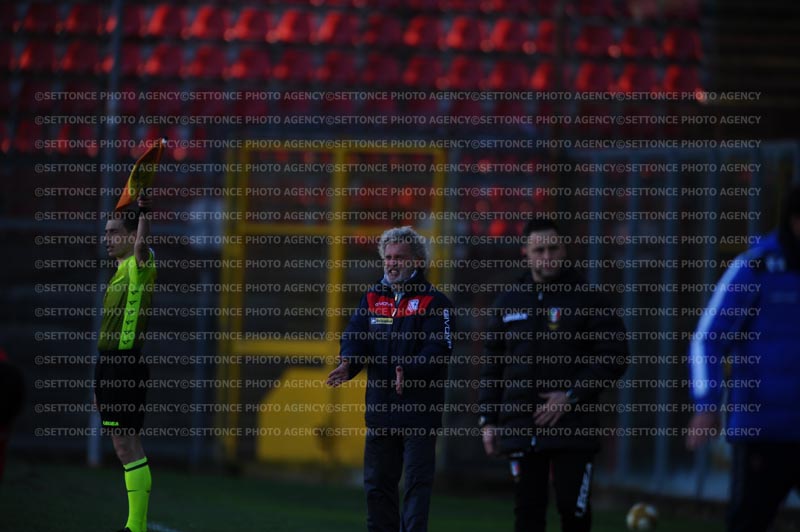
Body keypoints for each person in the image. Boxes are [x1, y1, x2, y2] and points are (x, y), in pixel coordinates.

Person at [478, 218, 628, 532]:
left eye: (553, 248)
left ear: (564, 250)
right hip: (521, 428)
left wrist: (570, 396)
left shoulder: (588, 299)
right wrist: (488, 420)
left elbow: (614, 356)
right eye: (539, 250)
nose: (547, 256)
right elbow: (492, 366)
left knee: (573, 513)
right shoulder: (508, 302)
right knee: (527, 516)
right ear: (525, 253)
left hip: (573, 430)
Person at [686, 185, 800, 532]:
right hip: (763, 431)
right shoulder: (756, 268)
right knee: (749, 523)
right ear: (795, 221)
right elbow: (708, 339)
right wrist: (707, 404)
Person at [326, 226, 453, 532]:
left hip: (419, 413)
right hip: (380, 411)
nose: (392, 263)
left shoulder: (436, 302)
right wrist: (348, 362)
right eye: (388, 257)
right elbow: (355, 335)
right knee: (377, 487)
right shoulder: (372, 297)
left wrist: (408, 369)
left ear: (417, 261)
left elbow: (439, 349)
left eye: (400, 257)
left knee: (416, 488)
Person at [95, 191, 157, 532]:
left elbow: (142, 247)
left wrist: (145, 212)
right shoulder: (119, 271)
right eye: (106, 232)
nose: (107, 238)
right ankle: (137, 526)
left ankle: (136, 526)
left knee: (125, 445)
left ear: (131, 237)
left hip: (124, 366)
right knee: (125, 444)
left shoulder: (138, 265)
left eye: (114, 232)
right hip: (108, 365)